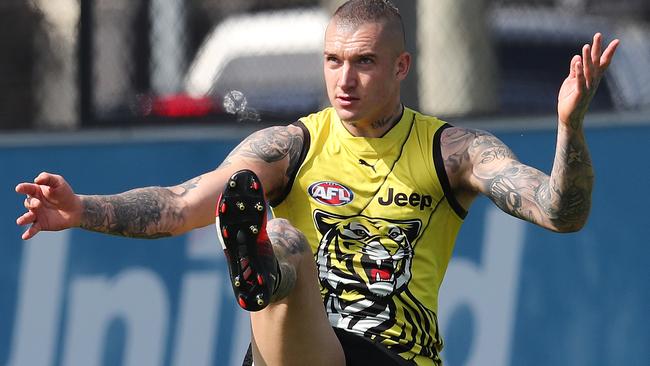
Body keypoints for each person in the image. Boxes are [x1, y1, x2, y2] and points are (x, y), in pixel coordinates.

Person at [16, 1, 619, 365]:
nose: (345, 79)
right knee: (283, 241)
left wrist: (570, 128)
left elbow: (559, 212)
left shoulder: (451, 150)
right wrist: (81, 209)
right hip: (300, 351)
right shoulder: (292, 146)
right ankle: (256, 265)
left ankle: (259, 262)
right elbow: (180, 204)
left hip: (392, 359)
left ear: (401, 67)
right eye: (333, 61)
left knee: (283, 243)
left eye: (364, 62)